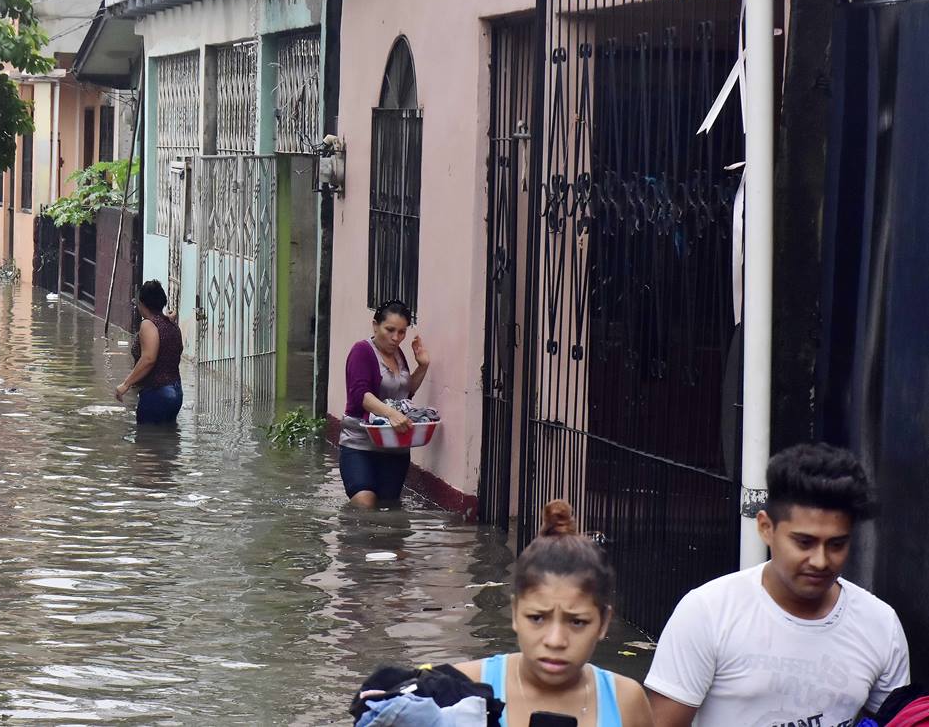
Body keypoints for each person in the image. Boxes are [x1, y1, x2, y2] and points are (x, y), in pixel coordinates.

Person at [645, 443, 910, 727]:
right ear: (766, 528)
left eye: (836, 544)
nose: (820, 561)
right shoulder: (707, 613)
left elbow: (897, 721)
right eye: (804, 542)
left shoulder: (880, 625)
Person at [455, 500, 653, 727]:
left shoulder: (625, 702)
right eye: (537, 618)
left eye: (577, 622)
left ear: (603, 623)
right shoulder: (465, 689)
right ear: (515, 612)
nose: (555, 641)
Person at [338, 300, 429, 508]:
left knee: (388, 508)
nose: (396, 338)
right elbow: (361, 395)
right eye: (390, 330)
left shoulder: (399, 355)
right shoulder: (361, 351)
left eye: (402, 332)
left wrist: (423, 366)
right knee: (364, 501)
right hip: (359, 443)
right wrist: (391, 414)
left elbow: (405, 393)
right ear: (375, 325)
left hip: (395, 446)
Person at [114, 280, 183, 424]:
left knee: (145, 443)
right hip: (176, 393)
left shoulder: (147, 325)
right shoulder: (171, 325)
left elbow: (148, 359)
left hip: (157, 393)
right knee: (166, 441)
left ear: (142, 304)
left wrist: (125, 385)